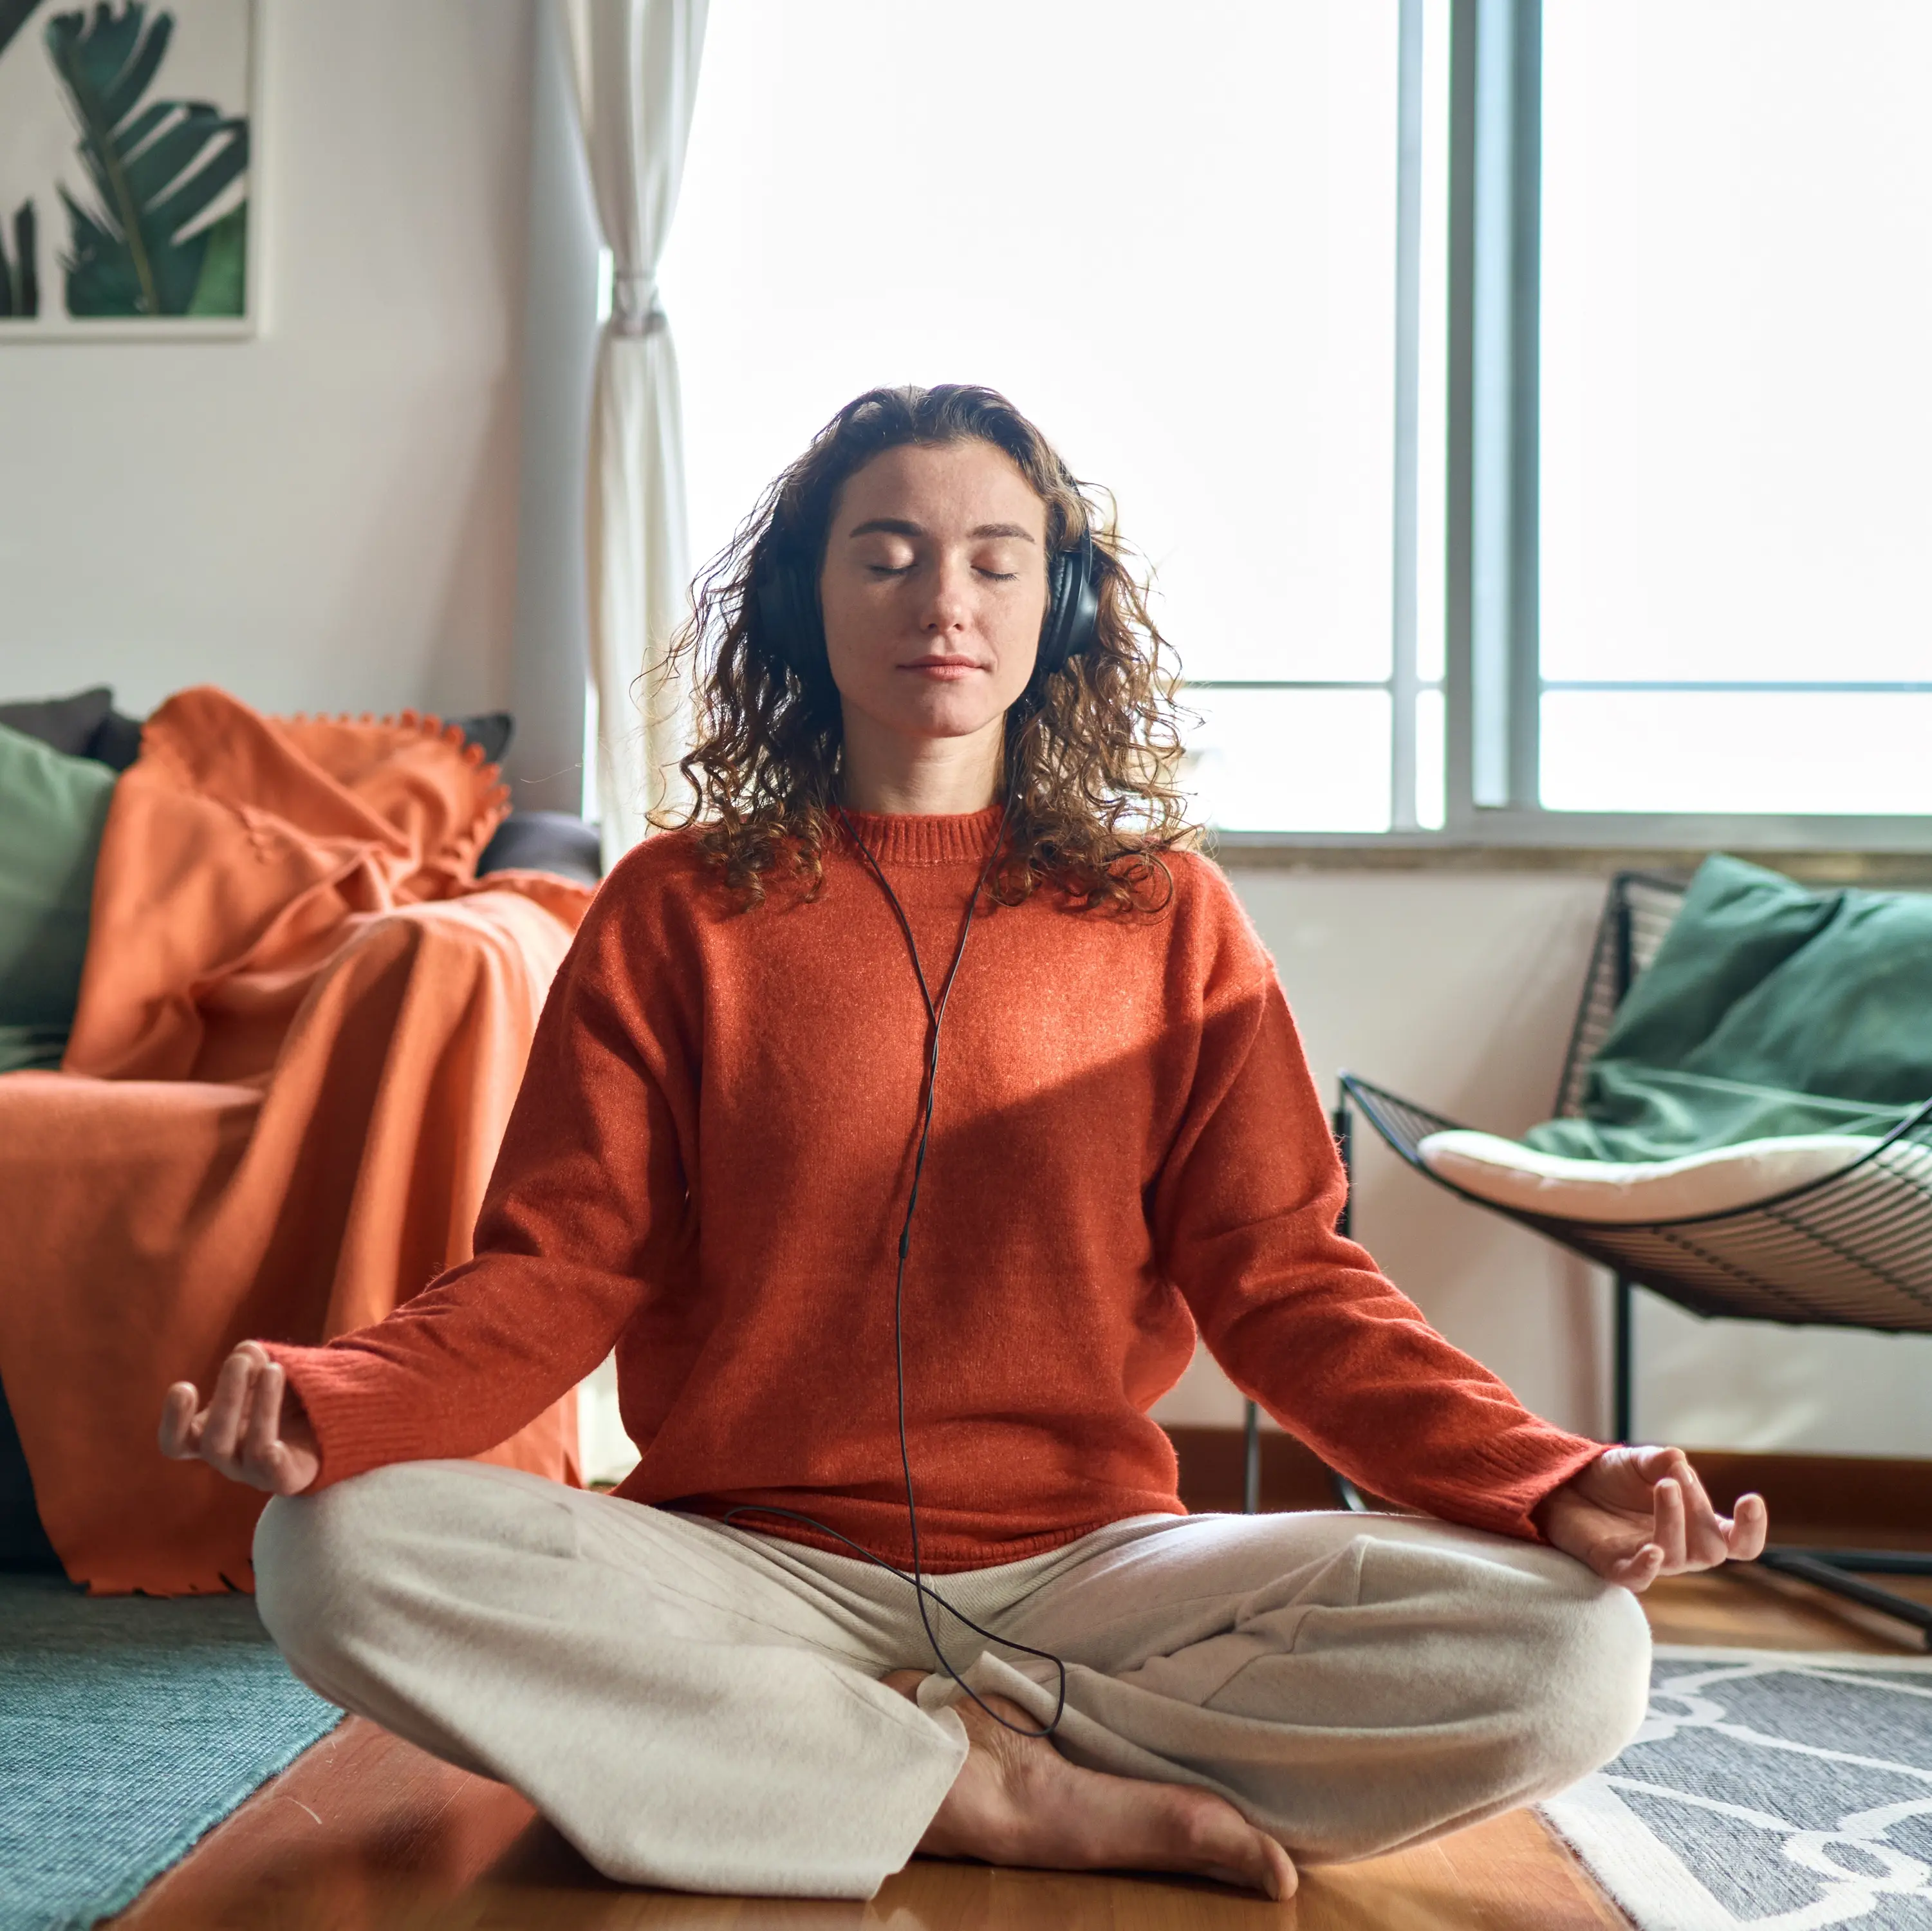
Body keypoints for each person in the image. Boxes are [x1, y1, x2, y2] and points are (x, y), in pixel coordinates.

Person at [160, 384, 1767, 1905]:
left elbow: (1285, 1280)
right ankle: (975, 1789)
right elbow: (561, 1266)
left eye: (998, 560)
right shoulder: (677, 909)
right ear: (806, 601)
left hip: (1091, 1576)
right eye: (890, 555)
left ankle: (824, 1767)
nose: (946, 599)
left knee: (1575, 1653)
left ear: (1056, 609)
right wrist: (343, 1405)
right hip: (746, 1568)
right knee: (336, 1552)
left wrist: (1545, 1478)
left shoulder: (1168, 919)